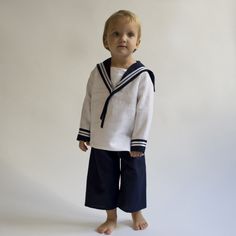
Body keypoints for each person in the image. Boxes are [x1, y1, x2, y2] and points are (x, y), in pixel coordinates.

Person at [77, 9, 155, 234]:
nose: (123, 38)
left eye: (130, 34)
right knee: (104, 180)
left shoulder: (142, 76)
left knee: (134, 179)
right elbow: (88, 102)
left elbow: (145, 111)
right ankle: (111, 217)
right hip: (103, 139)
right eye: (116, 33)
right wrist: (85, 133)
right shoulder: (97, 73)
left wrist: (139, 141)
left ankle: (136, 212)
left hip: (130, 141)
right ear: (105, 41)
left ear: (138, 42)